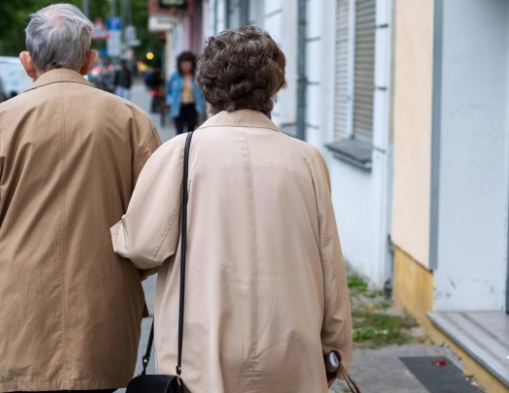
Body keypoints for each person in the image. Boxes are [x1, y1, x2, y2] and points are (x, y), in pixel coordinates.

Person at [0, 4, 161, 393]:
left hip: (18, 322)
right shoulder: (132, 122)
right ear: (89, 61)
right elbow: (157, 229)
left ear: (27, 62)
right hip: (104, 321)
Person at [111, 26, 352, 392]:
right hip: (290, 346)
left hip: (202, 349)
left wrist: (118, 230)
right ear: (274, 85)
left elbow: (143, 247)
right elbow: (330, 267)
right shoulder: (307, 159)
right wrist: (335, 348)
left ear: (208, 83)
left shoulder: (180, 153)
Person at [166, 51, 205, 135]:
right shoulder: (174, 76)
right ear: (180, 65)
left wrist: (202, 105)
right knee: (179, 133)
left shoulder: (197, 76)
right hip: (178, 107)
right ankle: (181, 148)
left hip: (192, 108)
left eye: (188, 64)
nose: (186, 67)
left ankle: (188, 148)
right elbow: (168, 91)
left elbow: (202, 92)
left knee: (191, 132)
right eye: (184, 64)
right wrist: (170, 102)